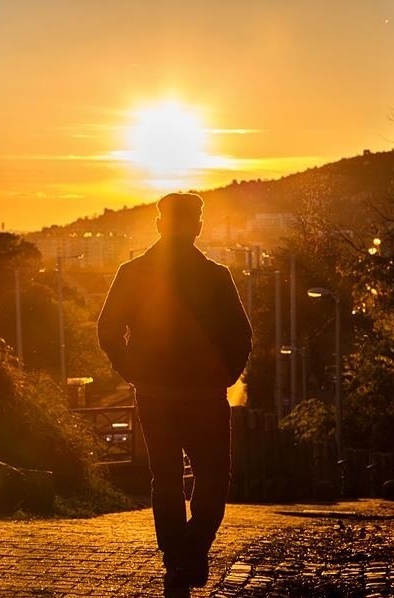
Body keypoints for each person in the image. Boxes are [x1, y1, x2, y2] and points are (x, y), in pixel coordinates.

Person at [97, 192, 252, 592]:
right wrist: (225, 376)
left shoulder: (132, 272)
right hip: (204, 396)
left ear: (158, 225)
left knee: (165, 476)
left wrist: (132, 370)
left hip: (156, 395)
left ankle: (177, 556)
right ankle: (193, 549)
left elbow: (107, 329)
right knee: (213, 476)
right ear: (197, 228)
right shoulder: (216, 276)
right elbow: (241, 335)